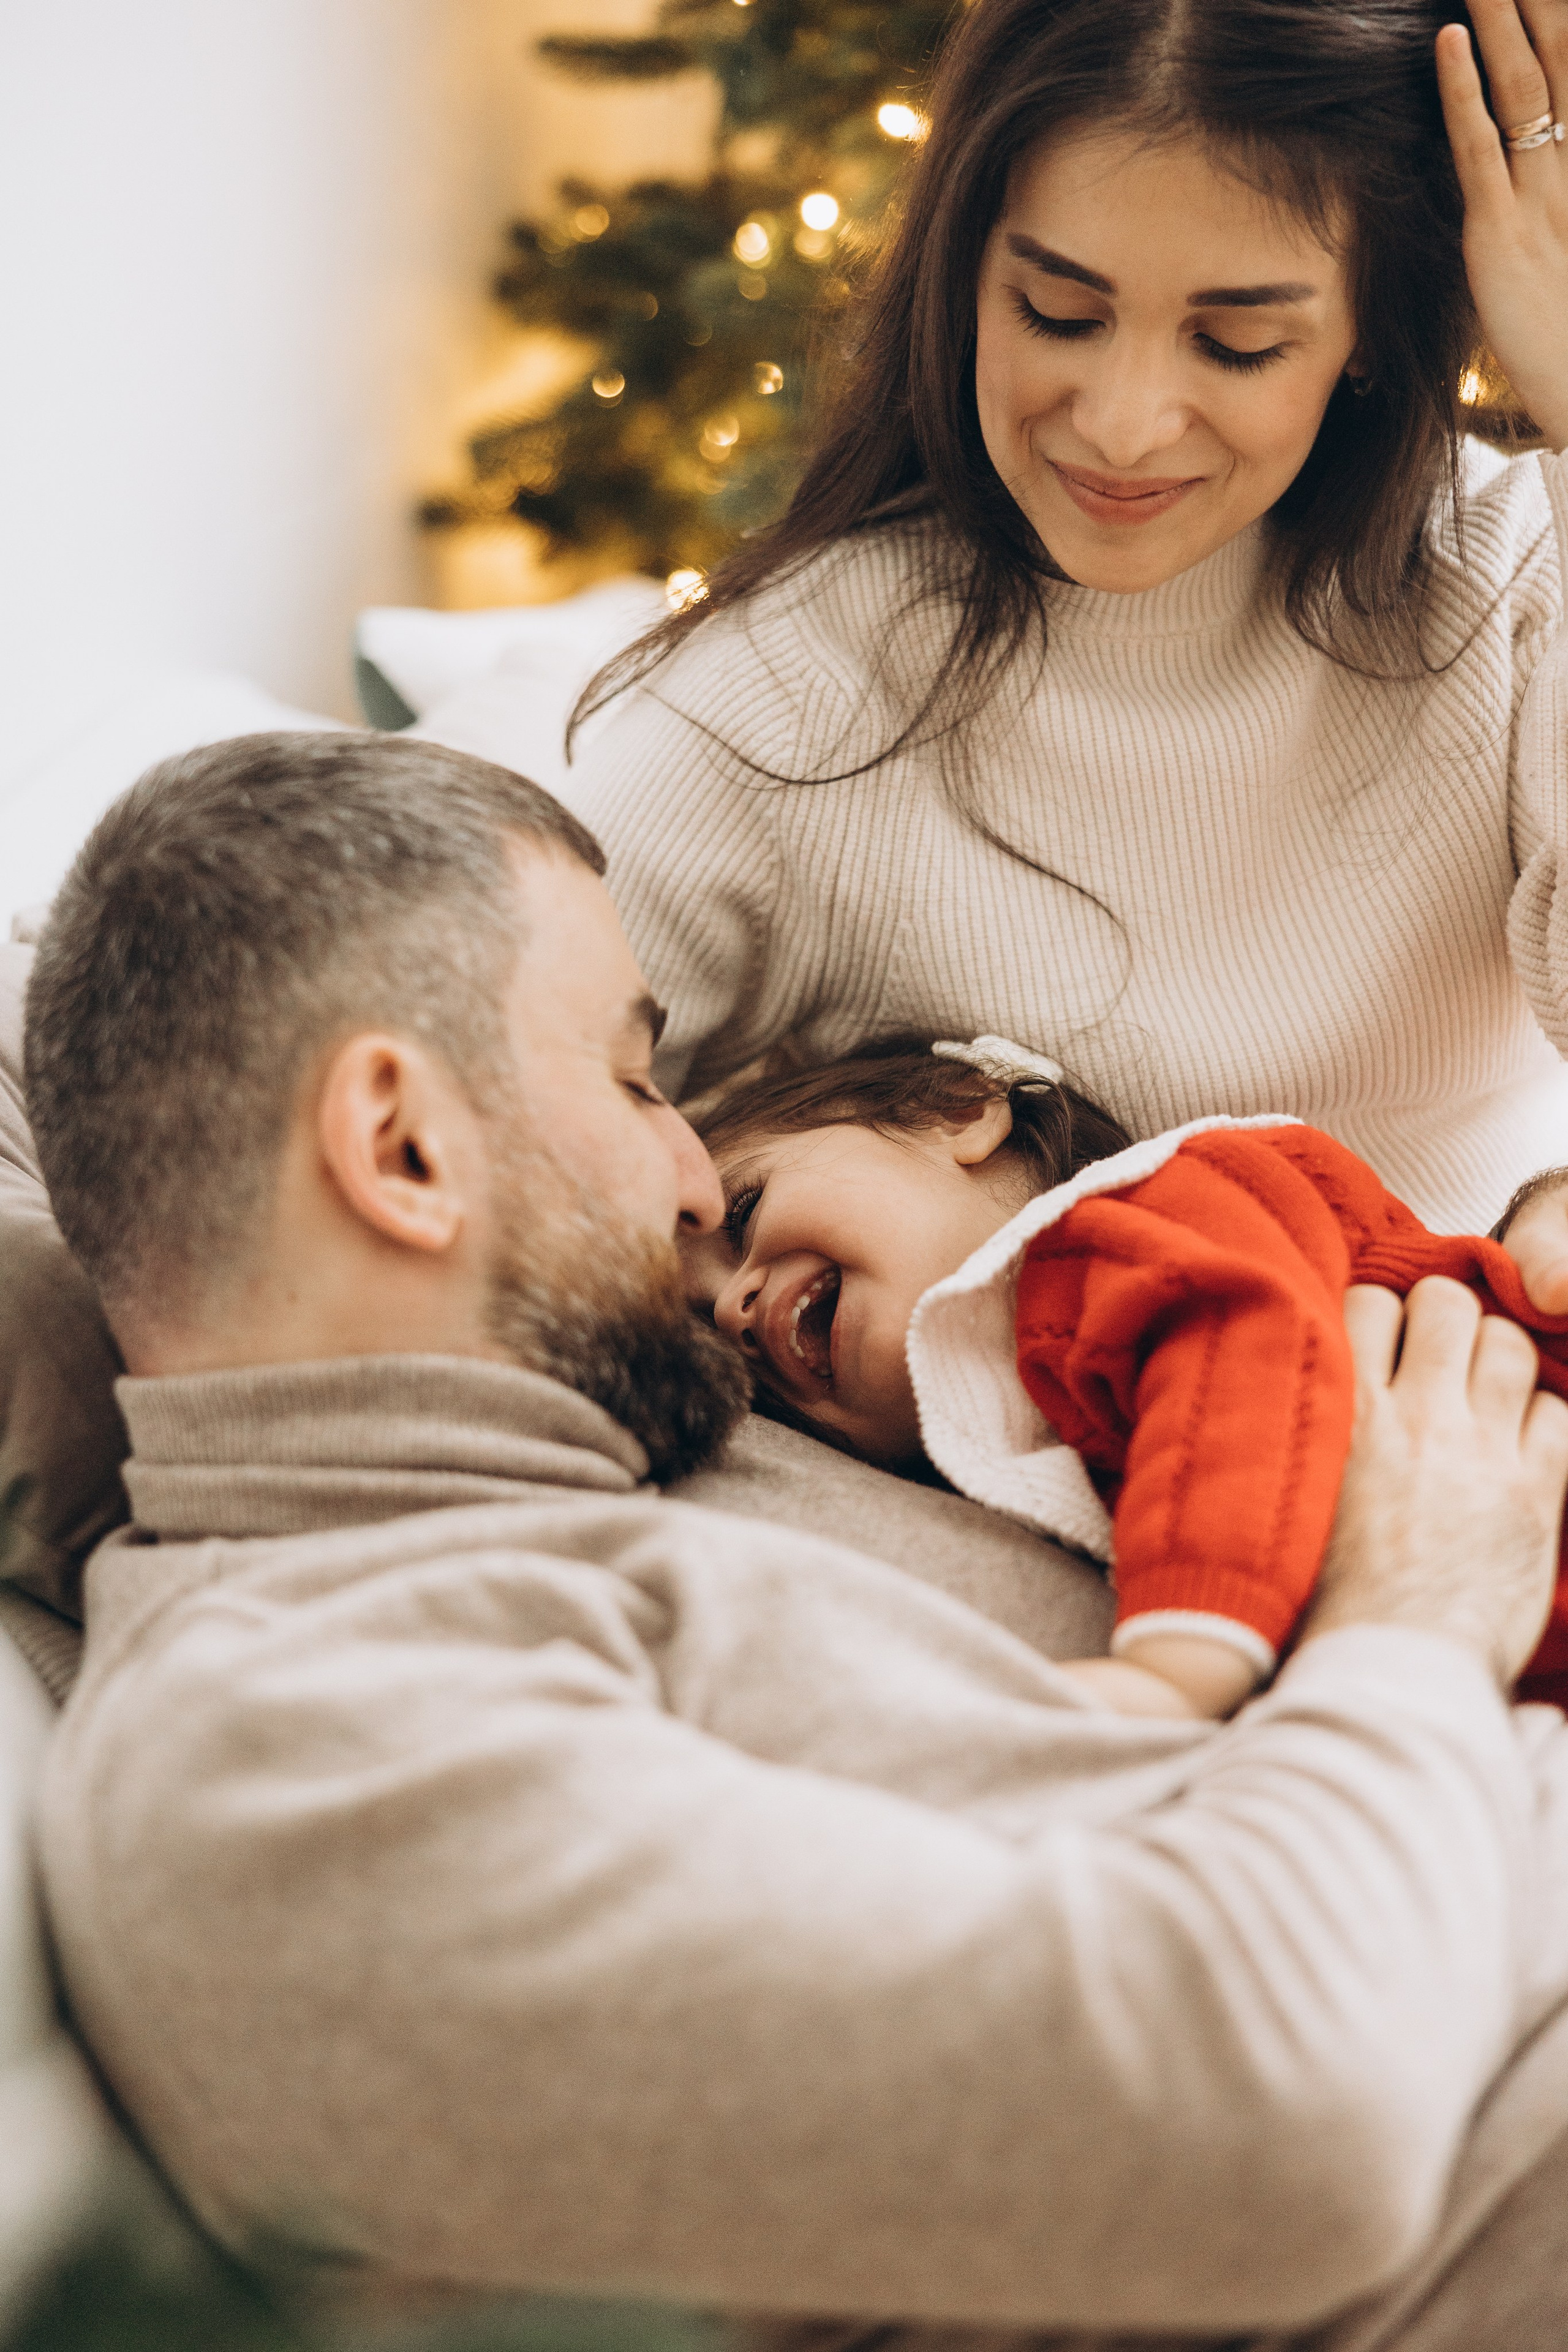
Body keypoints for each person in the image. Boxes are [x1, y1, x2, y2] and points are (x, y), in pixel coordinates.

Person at [24, 728, 1568, 2350]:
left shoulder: (630, 1417)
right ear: (403, 1150)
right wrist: (1412, 1615)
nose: (698, 1182)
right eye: (633, 1081)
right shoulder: (294, 1761)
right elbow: (1283, 2119)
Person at [533, 0, 1568, 1299]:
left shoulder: (1508, 578)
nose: (1124, 427)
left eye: (1236, 342)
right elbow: (495, 1111)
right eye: (1057, 313)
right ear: (967, 273)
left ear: (1367, 331)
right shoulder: (807, 679)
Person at [682, 1032, 1568, 1723]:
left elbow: (1246, 1377)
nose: (731, 1311)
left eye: (745, 1210)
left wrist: (1177, 1670)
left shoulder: (1132, 1224)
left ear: (955, 1114)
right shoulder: (1027, 1432)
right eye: (701, 1329)